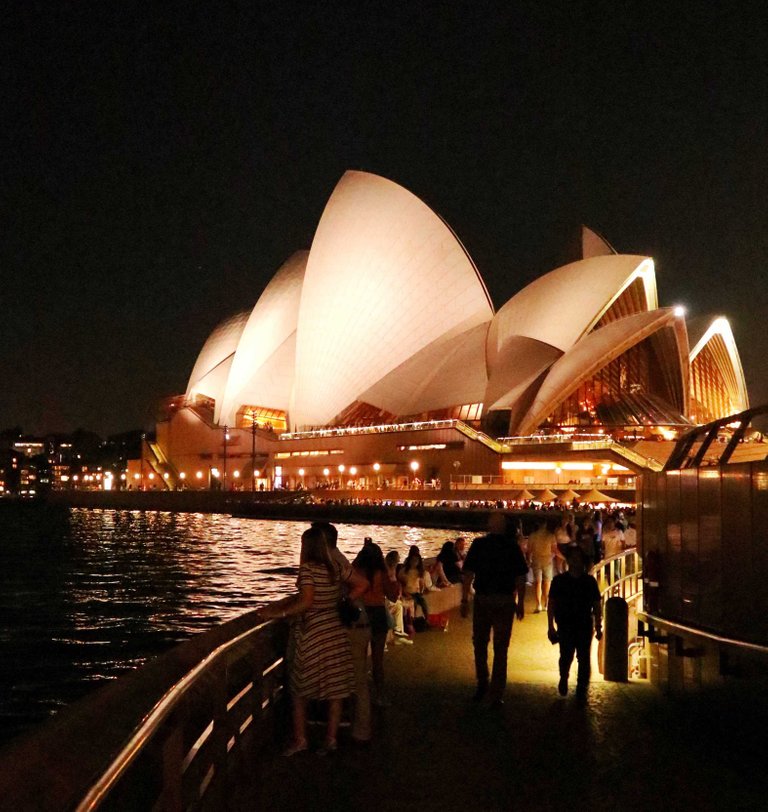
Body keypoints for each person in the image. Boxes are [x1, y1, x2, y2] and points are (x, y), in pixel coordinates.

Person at [259, 524, 364, 755]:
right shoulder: (336, 567)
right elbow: (362, 583)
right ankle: (331, 738)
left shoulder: (307, 570)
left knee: (300, 690)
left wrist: (279, 612)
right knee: (335, 690)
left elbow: (306, 601)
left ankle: (301, 739)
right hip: (335, 632)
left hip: (312, 634)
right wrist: (343, 600)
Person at [461, 513, 528, 706]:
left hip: (483, 599)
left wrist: (465, 600)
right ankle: (497, 692)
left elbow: (468, 574)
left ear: (490, 525)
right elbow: (521, 577)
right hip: (505, 600)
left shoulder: (479, 545)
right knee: (501, 647)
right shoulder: (512, 547)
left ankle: (483, 682)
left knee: (480, 643)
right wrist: (521, 602)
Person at [349, 541, 401, 739]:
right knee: (378, 659)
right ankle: (380, 695)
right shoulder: (382, 572)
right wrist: (393, 576)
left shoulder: (356, 570)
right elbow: (394, 596)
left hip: (361, 614)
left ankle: (358, 695)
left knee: (358, 658)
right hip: (378, 614)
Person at [547, 546, 602, 701]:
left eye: (579, 558)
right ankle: (564, 676)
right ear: (569, 560)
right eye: (573, 558)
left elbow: (597, 604)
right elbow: (551, 604)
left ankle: (581, 688)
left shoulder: (589, 582)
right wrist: (550, 626)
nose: (576, 561)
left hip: (584, 624)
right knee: (566, 655)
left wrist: (598, 625)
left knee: (584, 657)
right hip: (565, 624)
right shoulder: (559, 581)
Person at [527, 517, 558, 613]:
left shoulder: (532, 535)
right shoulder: (551, 535)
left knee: (538, 583)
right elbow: (554, 550)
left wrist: (529, 559)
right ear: (545, 525)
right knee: (547, 583)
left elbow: (529, 550)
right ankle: (547, 604)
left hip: (536, 560)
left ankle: (538, 604)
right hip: (547, 560)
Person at [399, 545, 430, 623]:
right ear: (409, 561)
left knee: (424, 603)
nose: (414, 562)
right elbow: (400, 582)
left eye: (416, 561)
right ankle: (413, 620)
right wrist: (404, 592)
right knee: (414, 604)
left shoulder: (419, 571)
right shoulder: (404, 571)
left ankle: (427, 619)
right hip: (408, 592)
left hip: (416, 592)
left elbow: (421, 582)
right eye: (413, 560)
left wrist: (421, 590)